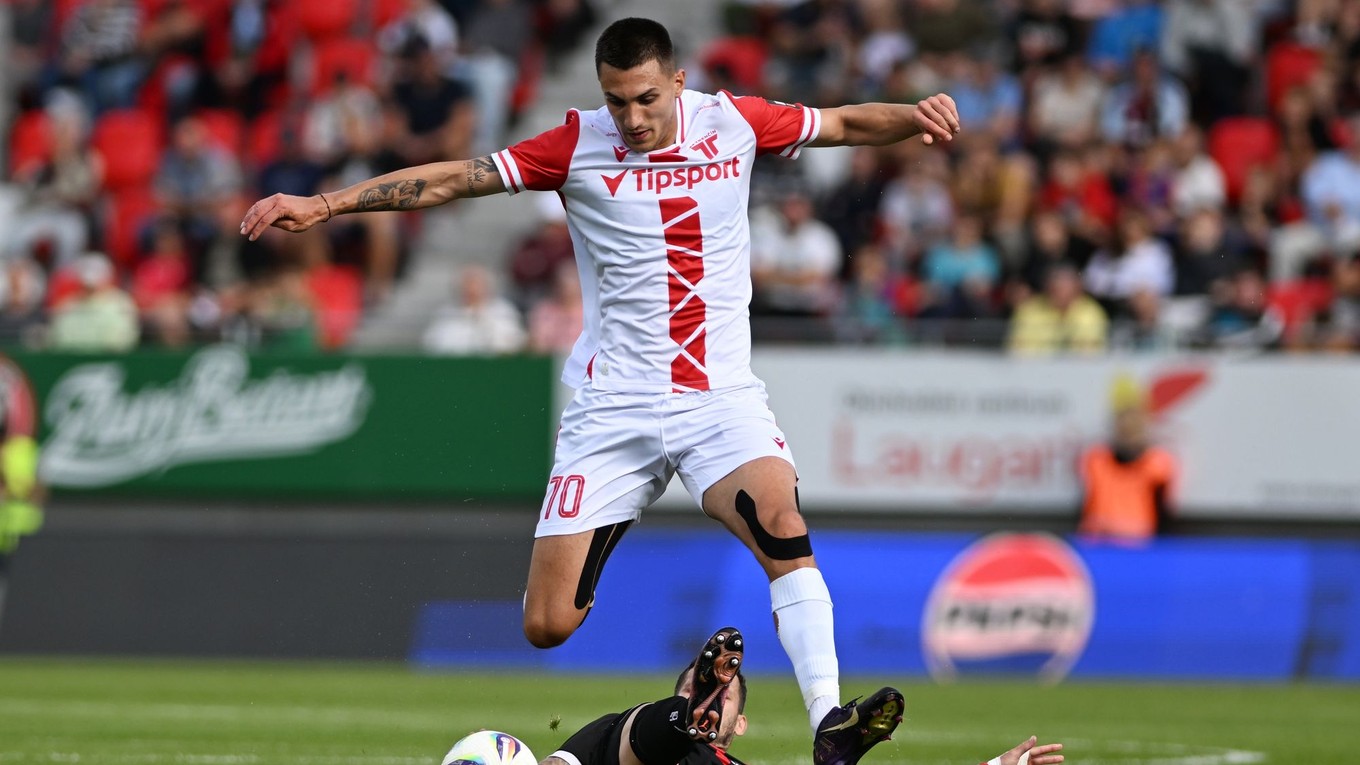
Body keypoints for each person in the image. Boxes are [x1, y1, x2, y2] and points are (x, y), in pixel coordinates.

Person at [240, 18, 964, 765]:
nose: (633, 117)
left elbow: (844, 122)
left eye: (646, 98)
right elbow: (457, 178)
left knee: (782, 523)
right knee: (548, 623)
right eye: (617, 102)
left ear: (679, 82)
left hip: (718, 397)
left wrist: (913, 116)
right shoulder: (573, 144)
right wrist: (326, 205)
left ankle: (828, 723)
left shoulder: (735, 120)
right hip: (611, 409)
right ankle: (668, 713)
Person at [538, 627, 1065, 765]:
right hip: (647, 749)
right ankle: (677, 718)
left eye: (724, 697)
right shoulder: (612, 729)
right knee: (645, 735)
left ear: (740, 724)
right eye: (703, 688)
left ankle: (836, 756)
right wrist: (682, 716)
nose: (717, 700)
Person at [1078, 378, 1178, 543]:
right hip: (1099, 544)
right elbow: (1086, 504)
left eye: (1134, 420)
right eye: (1122, 419)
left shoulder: (1158, 463)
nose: (1128, 426)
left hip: (1141, 546)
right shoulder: (1095, 460)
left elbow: (1163, 512)